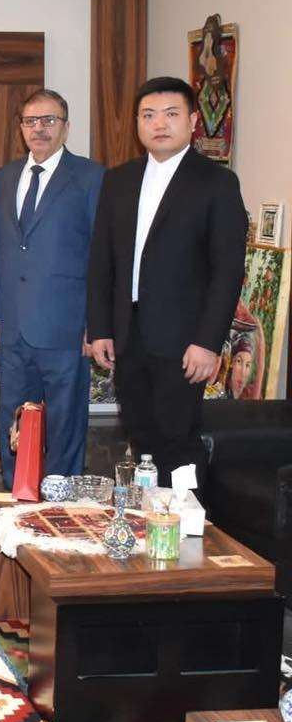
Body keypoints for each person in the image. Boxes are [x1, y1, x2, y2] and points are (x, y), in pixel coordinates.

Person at [87, 76, 246, 483]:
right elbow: (103, 260)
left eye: (171, 114)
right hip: (128, 335)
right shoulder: (118, 180)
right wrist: (100, 328)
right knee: (141, 439)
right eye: (148, 115)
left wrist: (208, 341)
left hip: (184, 341)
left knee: (179, 442)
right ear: (137, 124)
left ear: (192, 121)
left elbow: (227, 270)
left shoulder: (217, 182)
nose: (159, 124)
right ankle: (148, 517)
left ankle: (190, 518)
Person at [0, 89, 104, 486]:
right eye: (30, 121)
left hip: (66, 328)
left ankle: (60, 503)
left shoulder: (90, 177)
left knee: (64, 424)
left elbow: (102, 255)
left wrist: (96, 324)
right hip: (13, 327)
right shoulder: (5, 178)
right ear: (21, 128)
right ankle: (16, 500)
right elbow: (0, 251)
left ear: (66, 127)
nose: (39, 129)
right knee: (13, 420)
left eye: (49, 120)